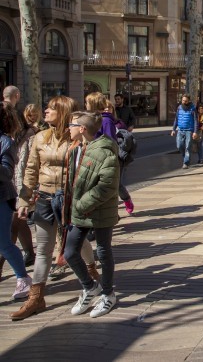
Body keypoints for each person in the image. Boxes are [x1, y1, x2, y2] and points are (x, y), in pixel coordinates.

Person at [13, 96, 96, 321]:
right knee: (43, 249)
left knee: (76, 242)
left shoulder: (78, 138)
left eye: (51, 109)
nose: (46, 111)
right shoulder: (40, 137)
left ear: (64, 113)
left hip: (69, 199)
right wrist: (24, 200)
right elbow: (31, 169)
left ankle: (91, 270)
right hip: (45, 197)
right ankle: (36, 297)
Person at [63, 111, 120, 318]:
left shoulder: (105, 151)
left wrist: (82, 203)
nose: (68, 129)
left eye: (71, 125)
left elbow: (107, 186)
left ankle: (108, 294)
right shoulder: (76, 148)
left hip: (100, 210)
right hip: (79, 210)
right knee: (70, 252)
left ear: (82, 129)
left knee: (103, 253)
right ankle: (90, 287)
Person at [0, 102, 32, 302]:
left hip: (2, 198)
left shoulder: (6, 142)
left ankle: (23, 278)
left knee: (4, 242)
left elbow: (6, 173)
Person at [171, 94, 199, 170]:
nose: (184, 102)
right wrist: (173, 129)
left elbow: (196, 121)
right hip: (180, 130)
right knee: (179, 145)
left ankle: (186, 162)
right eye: (183, 100)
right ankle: (185, 157)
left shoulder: (193, 109)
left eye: (185, 101)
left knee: (188, 147)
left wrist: (195, 132)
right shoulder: (179, 108)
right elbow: (176, 119)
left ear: (189, 101)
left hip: (189, 130)